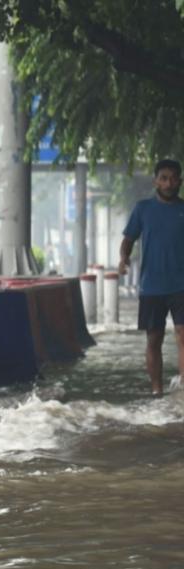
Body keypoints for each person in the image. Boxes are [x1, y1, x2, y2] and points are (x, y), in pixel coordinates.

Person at [119, 158, 184, 395]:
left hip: (181, 285)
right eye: (164, 178)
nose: (169, 183)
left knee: (182, 335)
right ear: (156, 181)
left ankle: (183, 388)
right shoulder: (143, 209)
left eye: (173, 178)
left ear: (180, 181)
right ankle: (157, 391)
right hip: (152, 286)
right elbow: (128, 239)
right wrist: (124, 257)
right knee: (154, 340)